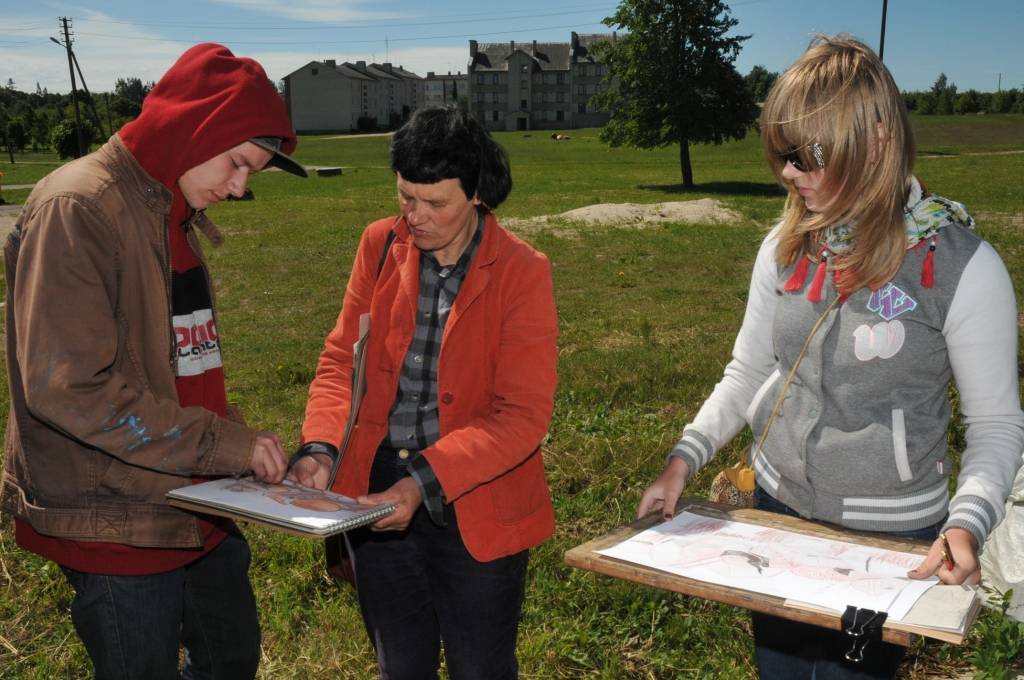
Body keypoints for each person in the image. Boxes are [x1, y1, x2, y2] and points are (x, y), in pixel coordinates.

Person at [637, 35, 1024, 679]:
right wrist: (686, 457)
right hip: (775, 513)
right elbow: (750, 369)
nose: (786, 173)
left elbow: (996, 426)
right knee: (781, 669)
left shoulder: (963, 268)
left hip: (888, 541)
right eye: (780, 155)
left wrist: (969, 523)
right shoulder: (785, 247)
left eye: (803, 155)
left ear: (873, 142)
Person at [1, 43, 307, 679]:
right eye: (236, 164)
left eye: (252, 172)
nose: (240, 187)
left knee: (231, 656)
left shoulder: (172, 211)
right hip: (117, 519)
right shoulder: (79, 208)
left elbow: (180, 367)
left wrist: (244, 446)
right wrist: (223, 445)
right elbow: (69, 389)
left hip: (197, 503)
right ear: (194, 127)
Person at [288, 106, 558, 679]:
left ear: (479, 194)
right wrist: (320, 448)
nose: (415, 217)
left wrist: (421, 484)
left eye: (436, 203)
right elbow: (342, 362)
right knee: (400, 666)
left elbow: (523, 416)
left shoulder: (522, 271)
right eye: (406, 197)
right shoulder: (380, 245)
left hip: (475, 497)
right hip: (377, 494)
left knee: (479, 666)